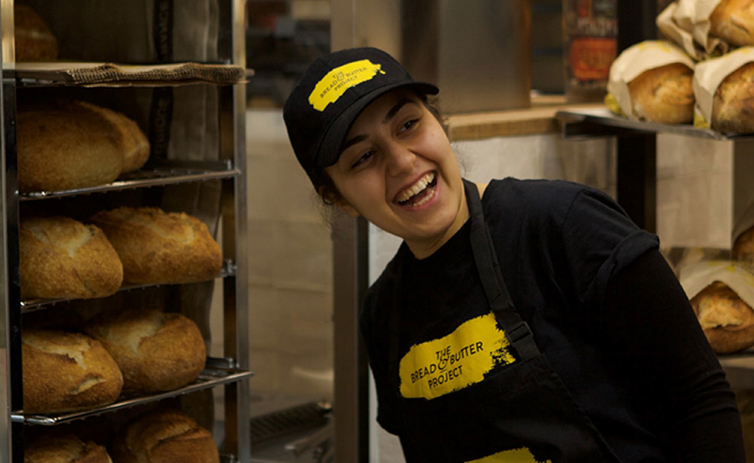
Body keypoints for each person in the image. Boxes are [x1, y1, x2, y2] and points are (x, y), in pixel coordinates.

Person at [283, 47, 746, 463]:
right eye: (362, 157)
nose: (403, 162)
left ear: (438, 123)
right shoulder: (384, 313)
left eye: (408, 124)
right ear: (339, 198)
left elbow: (700, 402)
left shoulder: (565, 225)